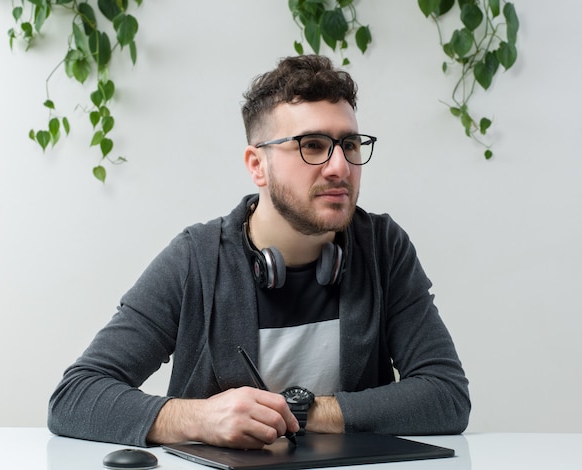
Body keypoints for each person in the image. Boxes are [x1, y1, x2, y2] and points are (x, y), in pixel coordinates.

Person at [48, 55, 470, 449]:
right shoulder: (196, 259)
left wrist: (301, 410)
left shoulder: (382, 248)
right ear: (257, 165)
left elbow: (446, 394)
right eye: (313, 145)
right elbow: (75, 396)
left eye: (350, 145)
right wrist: (198, 419)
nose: (340, 166)